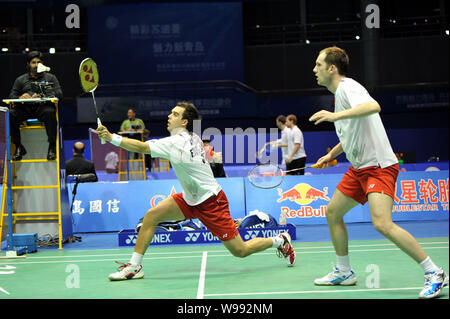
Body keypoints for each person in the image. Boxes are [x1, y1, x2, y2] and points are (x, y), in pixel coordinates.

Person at [96, 101, 296, 280]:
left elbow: (141, 148)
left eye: (174, 114)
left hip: (211, 201)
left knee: (240, 250)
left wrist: (112, 137)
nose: (169, 116)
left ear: (184, 122)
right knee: (151, 216)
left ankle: (279, 240)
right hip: (190, 198)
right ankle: (134, 266)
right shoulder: (194, 137)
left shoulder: (176, 142)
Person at [309, 46, 448, 299]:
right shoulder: (340, 96)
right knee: (332, 212)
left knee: (382, 223)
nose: (314, 69)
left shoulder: (349, 87)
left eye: (319, 64)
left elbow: (373, 106)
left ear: (332, 68)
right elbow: (353, 131)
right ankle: (344, 271)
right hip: (359, 168)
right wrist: (331, 155)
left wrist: (334, 116)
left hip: (379, 167)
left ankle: (434, 272)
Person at [9, 50, 63, 161]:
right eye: (33, 62)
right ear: (28, 64)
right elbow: (12, 95)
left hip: (42, 108)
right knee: (12, 114)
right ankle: (18, 146)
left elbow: (59, 94)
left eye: (39, 62)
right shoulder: (20, 80)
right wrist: (20, 97)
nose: (36, 65)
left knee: (49, 112)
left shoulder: (50, 78)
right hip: (25, 109)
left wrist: (43, 94)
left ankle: (52, 146)